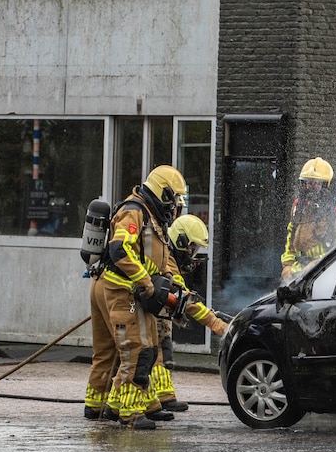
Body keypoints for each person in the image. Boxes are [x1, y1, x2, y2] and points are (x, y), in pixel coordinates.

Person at [84, 165, 189, 429]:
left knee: (132, 351)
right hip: (121, 290)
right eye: (173, 198)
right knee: (135, 352)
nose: (174, 206)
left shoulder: (149, 213)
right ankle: (125, 411)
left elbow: (159, 258)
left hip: (118, 288)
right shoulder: (135, 212)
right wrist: (145, 281)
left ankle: (105, 405)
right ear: (162, 192)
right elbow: (120, 249)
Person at [150, 213, 230, 413]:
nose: (193, 255)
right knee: (153, 356)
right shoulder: (168, 262)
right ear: (180, 241)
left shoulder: (171, 259)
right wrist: (216, 323)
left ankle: (165, 397)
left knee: (163, 353)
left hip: (160, 316)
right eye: (192, 248)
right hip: (151, 315)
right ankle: (147, 401)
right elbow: (185, 299)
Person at [280, 157, 336, 281]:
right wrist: (287, 266)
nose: (311, 187)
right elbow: (291, 237)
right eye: (308, 182)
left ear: (327, 185)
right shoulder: (299, 206)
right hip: (297, 272)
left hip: (325, 273)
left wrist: (317, 264)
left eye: (316, 183)